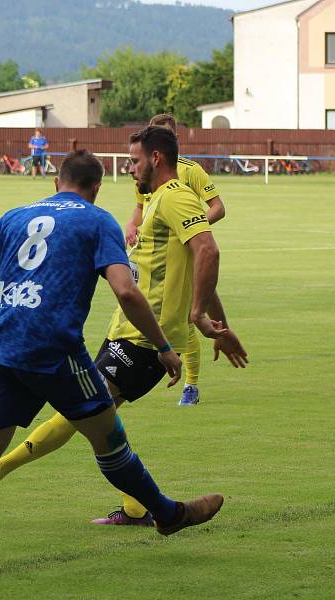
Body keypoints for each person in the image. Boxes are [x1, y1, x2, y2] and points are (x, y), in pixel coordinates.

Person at [0, 149, 225, 573]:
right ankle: (167, 514)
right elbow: (126, 291)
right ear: (96, 188)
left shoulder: (15, 216)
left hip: (2, 346)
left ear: (55, 182)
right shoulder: (97, 220)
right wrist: (162, 346)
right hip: (56, 351)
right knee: (109, 438)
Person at [0, 126, 247, 528]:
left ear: (156, 158)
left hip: (145, 340)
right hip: (127, 332)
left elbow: (207, 249)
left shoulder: (174, 197)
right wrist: (216, 320)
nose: (129, 167)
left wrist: (197, 316)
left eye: (135, 159)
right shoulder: (156, 200)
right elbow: (194, 262)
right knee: (100, 419)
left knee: (82, 412)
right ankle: (142, 508)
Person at [125, 113, 226, 406]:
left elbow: (218, 208)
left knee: (190, 318)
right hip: (157, 261)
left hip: (187, 254)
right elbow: (140, 208)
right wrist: (133, 226)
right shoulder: (142, 171)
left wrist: (190, 228)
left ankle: (191, 385)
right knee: (185, 320)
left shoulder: (190, 171)